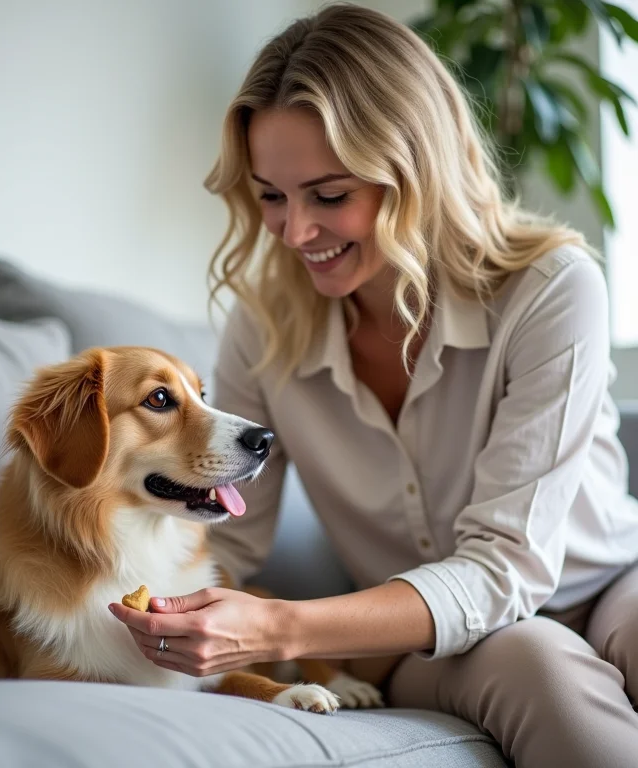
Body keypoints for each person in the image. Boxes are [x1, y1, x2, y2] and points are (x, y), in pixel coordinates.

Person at [109, 4, 638, 765]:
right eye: (270, 196)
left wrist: (280, 627)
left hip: (607, 581)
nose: (294, 233)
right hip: (426, 638)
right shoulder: (265, 327)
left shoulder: (552, 289)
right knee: (538, 666)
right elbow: (230, 536)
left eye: (328, 195)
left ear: (417, 172)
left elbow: (508, 564)